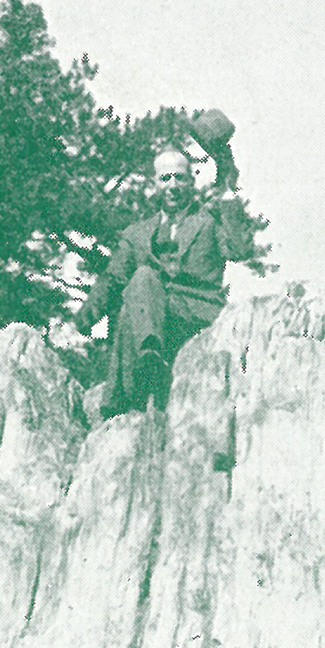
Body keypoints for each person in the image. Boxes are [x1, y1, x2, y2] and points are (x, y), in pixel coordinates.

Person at [95, 112, 244, 420]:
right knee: (139, 282)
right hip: (158, 318)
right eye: (165, 179)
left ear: (191, 181)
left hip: (199, 314)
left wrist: (228, 187)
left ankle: (120, 399)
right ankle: (148, 362)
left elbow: (240, 249)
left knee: (137, 292)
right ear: (155, 185)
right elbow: (111, 280)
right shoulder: (137, 233)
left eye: (180, 178)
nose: (173, 185)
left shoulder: (208, 221)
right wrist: (78, 323)